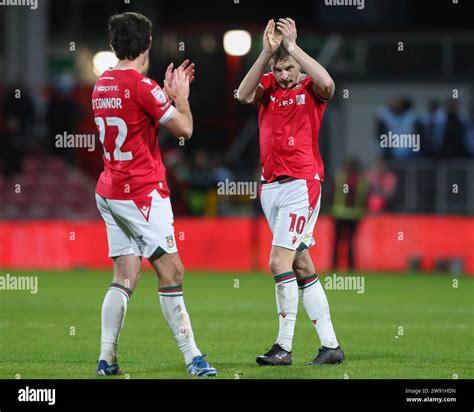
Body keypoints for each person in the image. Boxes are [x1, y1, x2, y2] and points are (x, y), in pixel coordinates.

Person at [92, 12, 217, 377]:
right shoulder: (142, 86)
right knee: (172, 270)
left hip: (110, 190)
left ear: (114, 45)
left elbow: (133, 121)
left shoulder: (101, 84)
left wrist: (162, 95)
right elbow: (185, 130)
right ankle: (193, 358)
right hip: (141, 194)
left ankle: (107, 358)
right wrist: (181, 98)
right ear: (147, 45)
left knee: (125, 274)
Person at [237, 18, 344, 366]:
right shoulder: (267, 85)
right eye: (279, 68)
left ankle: (283, 347)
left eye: (290, 68)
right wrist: (265, 53)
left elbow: (328, 81)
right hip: (271, 187)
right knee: (300, 264)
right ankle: (330, 346)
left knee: (277, 261)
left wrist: (295, 47)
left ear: (299, 65)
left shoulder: (311, 89)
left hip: (302, 183)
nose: (284, 75)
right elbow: (241, 94)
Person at [331, 157, 369, 270]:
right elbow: (365, 198)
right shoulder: (362, 181)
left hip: (339, 214)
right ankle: (351, 267)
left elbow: (331, 194)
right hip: (355, 216)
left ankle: (334, 266)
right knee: (351, 242)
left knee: (337, 242)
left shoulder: (339, 178)